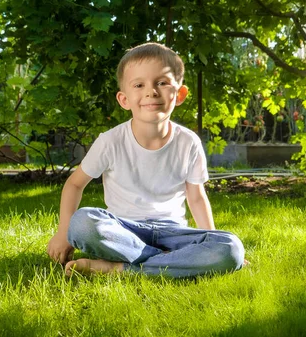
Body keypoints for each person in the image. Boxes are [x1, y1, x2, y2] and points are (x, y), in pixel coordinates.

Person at [46, 42, 245, 278]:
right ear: (124, 99)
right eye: (139, 85)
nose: (151, 91)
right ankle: (173, 263)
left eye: (162, 83)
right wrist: (62, 232)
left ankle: (120, 269)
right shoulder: (110, 141)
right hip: (123, 230)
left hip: (173, 233)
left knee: (230, 247)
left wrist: (210, 240)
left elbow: (196, 197)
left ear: (179, 94)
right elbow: (74, 184)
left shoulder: (188, 142)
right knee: (82, 223)